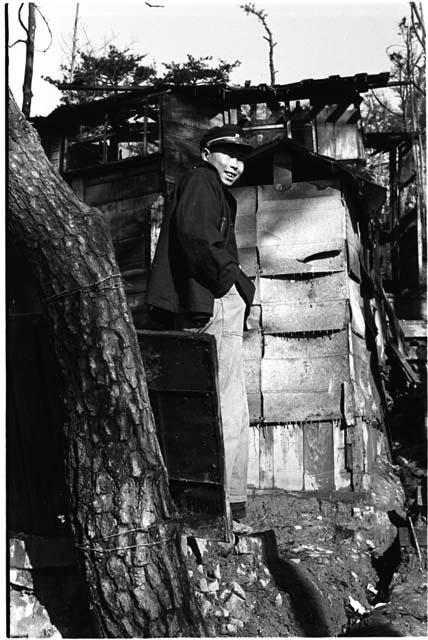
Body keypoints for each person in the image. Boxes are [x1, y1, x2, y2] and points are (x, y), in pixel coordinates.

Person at [146, 124, 255, 533]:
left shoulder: (215, 190)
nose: (236, 164)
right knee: (220, 404)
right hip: (212, 300)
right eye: (229, 154)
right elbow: (195, 238)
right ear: (208, 152)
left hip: (215, 300)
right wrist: (234, 283)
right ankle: (217, 507)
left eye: (242, 158)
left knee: (226, 403)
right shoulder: (200, 180)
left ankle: (226, 504)